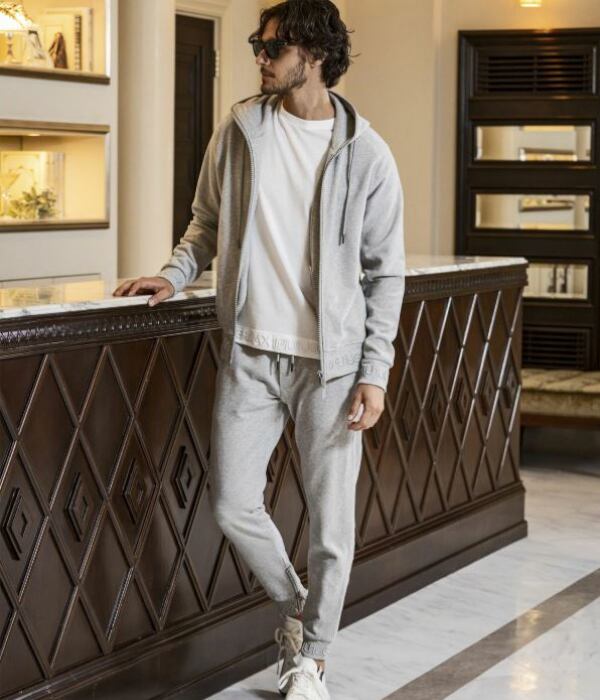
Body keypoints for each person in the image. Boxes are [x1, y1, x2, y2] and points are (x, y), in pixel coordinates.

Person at [113, 1, 405, 697]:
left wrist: (375, 371)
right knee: (232, 504)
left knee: (330, 524)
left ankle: (313, 660)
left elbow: (385, 272)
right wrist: (174, 274)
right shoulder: (242, 129)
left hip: (330, 365)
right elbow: (204, 223)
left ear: (313, 53)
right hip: (249, 351)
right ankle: (302, 610)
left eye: (271, 47)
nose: (259, 58)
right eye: (257, 44)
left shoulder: (367, 152)